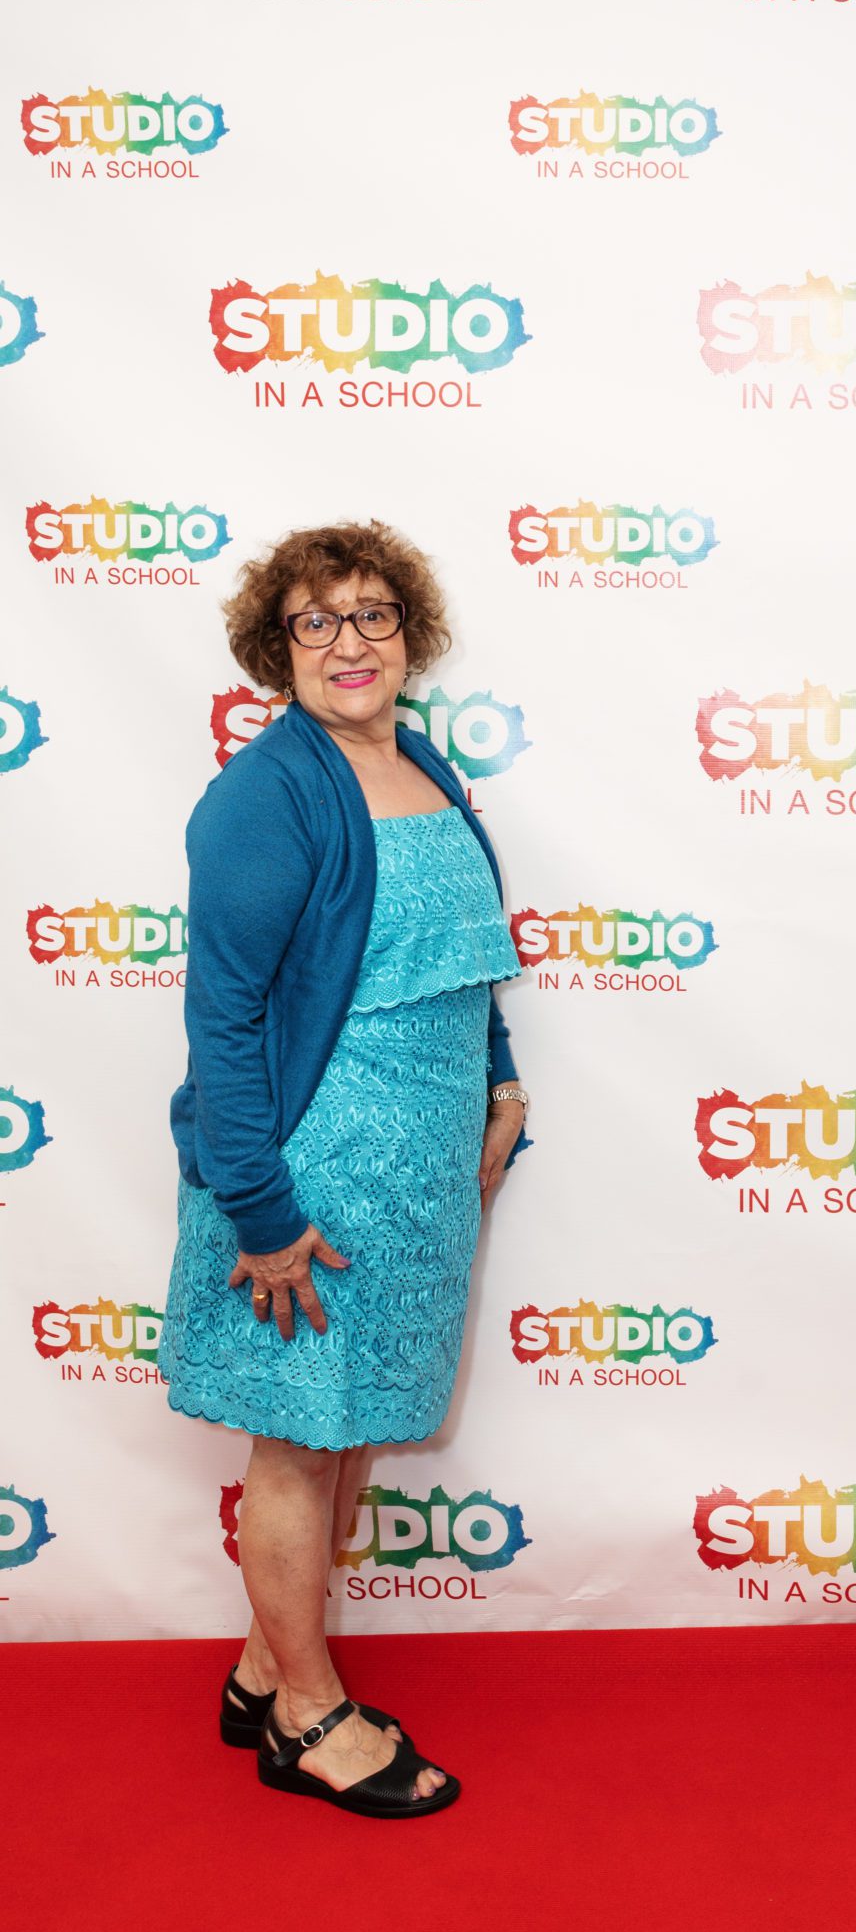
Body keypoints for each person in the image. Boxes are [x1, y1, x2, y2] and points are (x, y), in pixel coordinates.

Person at [160, 520, 528, 1819]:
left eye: (373, 614)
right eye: (316, 621)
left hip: (417, 1180)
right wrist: (261, 1213)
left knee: (351, 1427)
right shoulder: (265, 796)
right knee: (298, 1446)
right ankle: (308, 1720)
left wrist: (500, 1084)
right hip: (308, 1176)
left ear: (409, 635)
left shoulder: (422, 765)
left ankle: (264, 1670)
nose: (349, 642)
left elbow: (465, 958)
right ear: (279, 648)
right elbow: (223, 1022)